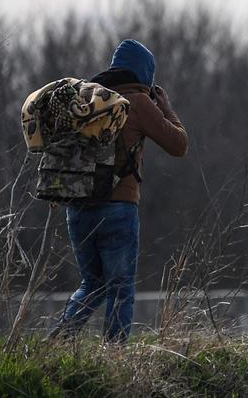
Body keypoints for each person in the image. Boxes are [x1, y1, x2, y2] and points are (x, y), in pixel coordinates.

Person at [52, 39, 188, 342]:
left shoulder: (87, 98)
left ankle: (57, 342)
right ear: (145, 74)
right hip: (117, 208)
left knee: (92, 284)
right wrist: (166, 109)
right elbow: (179, 145)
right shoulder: (137, 101)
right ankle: (114, 356)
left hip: (77, 208)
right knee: (120, 289)